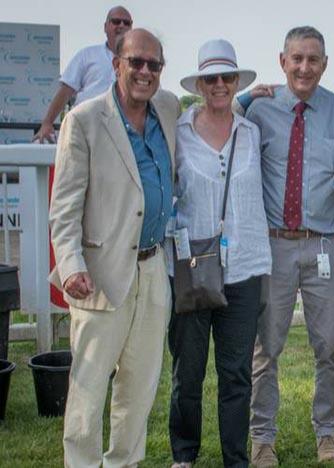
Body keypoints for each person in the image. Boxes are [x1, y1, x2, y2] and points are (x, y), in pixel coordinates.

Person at [48, 28, 179, 467]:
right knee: (88, 390)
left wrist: (252, 96)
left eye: (153, 64)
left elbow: (215, 109)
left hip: (153, 269)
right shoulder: (83, 120)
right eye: (136, 62)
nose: (144, 71)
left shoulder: (168, 109)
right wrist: (70, 266)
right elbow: (64, 207)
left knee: (139, 388)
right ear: (116, 64)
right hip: (99, 274)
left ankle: (124, 463)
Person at [244, 26, 334, 467]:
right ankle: (262, 438)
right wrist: (240, 98)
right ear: (282, 61)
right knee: (265, 346)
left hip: (326, 245)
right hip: (272, 246)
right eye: (296, 59)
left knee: (330, 345)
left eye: (313, 59)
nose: (304, 68)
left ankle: (327, 433)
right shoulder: (258, 113)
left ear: (325, 64)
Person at [166, 39, 271, 468]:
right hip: (194, 268)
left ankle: (235, 458)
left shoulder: (251, 132)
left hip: (243, 269)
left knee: (236, 375)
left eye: (228, 77)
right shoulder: (180, 132)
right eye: (212, 78)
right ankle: (184, 454)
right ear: (200, 84)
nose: (220, 85)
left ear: (235, 81)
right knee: (187, 373)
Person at [34, 5, 133, 143]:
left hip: (124, 134)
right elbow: (65, 92)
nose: (121, 25)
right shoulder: (87, 55)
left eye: (126, 23)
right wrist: (47, 123)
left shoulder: (139, 62)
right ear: (105, 27)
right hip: (86, 128)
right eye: (116, 21)